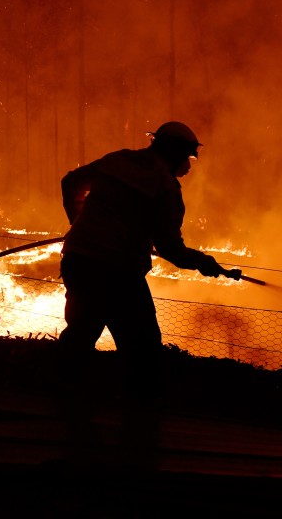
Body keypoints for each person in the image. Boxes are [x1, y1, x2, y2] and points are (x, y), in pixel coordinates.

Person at [56, 121, 237, 398]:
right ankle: (139, 416)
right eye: (187, 157)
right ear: (174, 153)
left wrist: (79, 221)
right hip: (118, 273)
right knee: (143, 348)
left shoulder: (117, 160)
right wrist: (204, 263)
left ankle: (65, 399)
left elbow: (71, 182)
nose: (188, 166)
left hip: (79, 260)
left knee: (80, 333)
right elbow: (171, 249)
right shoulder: (165, 187)